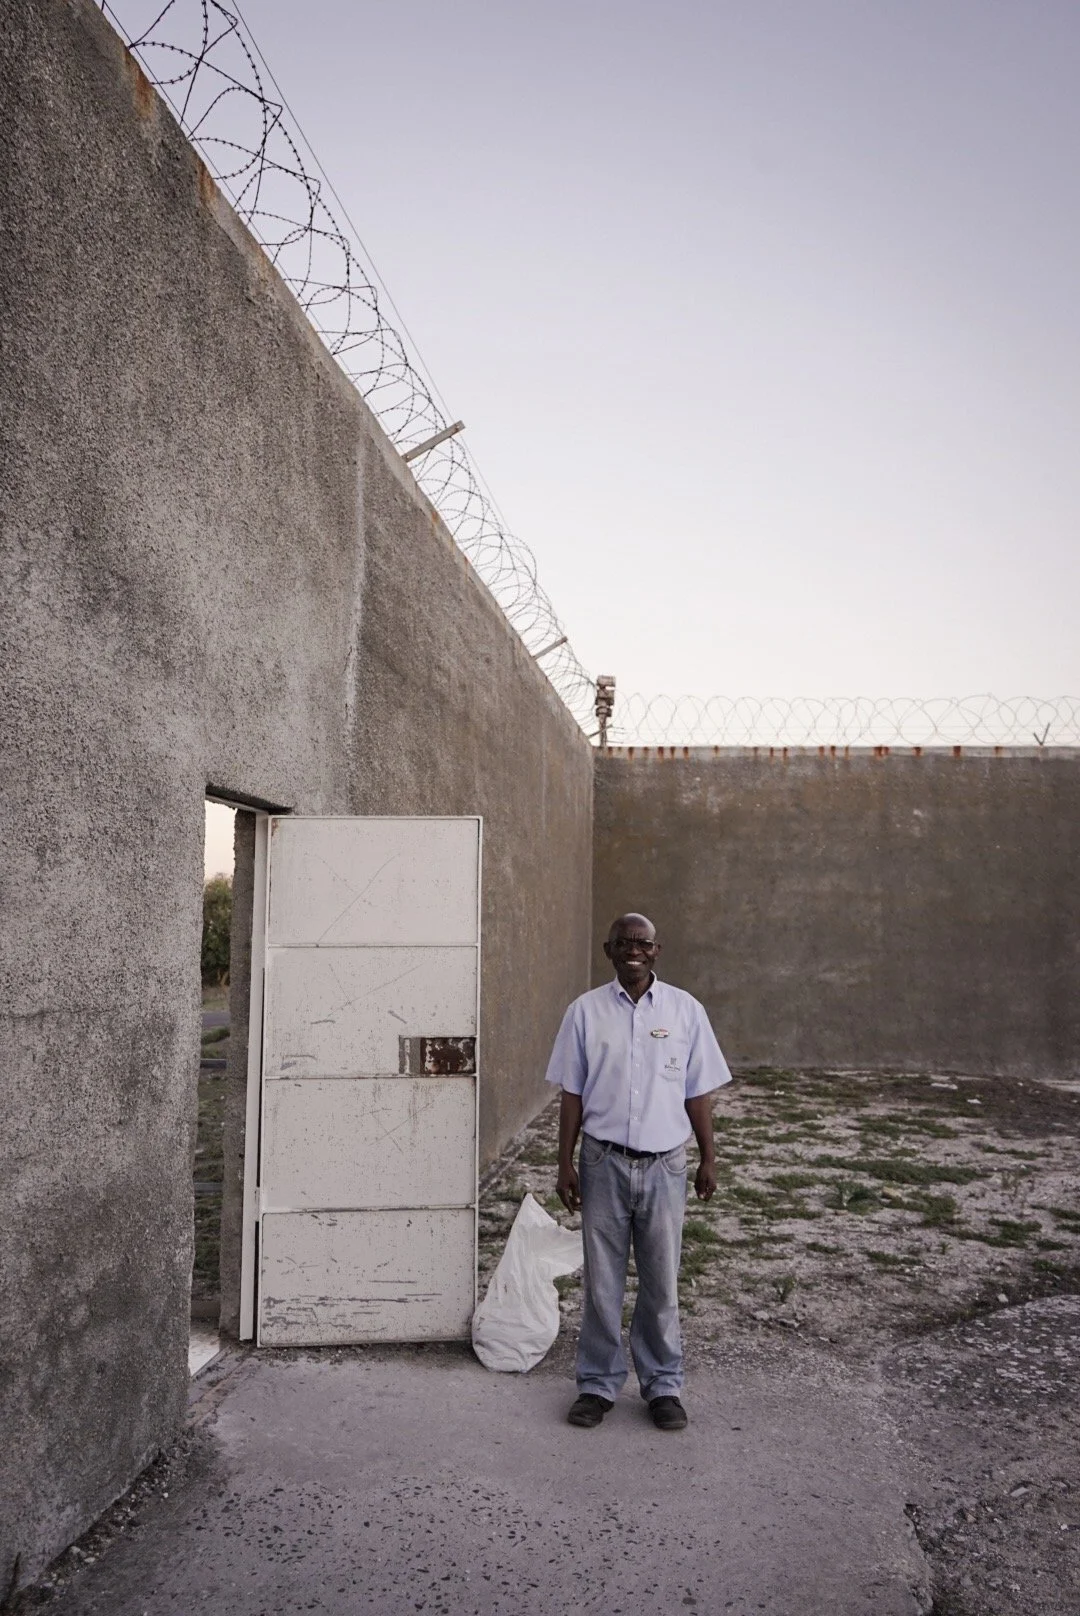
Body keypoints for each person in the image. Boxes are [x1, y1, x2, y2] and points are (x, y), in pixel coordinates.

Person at [545, 912, 731, 1431]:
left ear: (656, 951)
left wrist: (709, 1157)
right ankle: (598, 1384)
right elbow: (572, 1094)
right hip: (602, 1161)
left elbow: (698, 1092)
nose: (633, 950)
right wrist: (564, 1162)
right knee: (602, 1282)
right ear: (608, 950)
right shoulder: (584, 1012)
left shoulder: (685, 1010)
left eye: (643, 943)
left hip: (665, 1165)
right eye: (623, 942)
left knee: (661, 1282)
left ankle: (663, 1386)